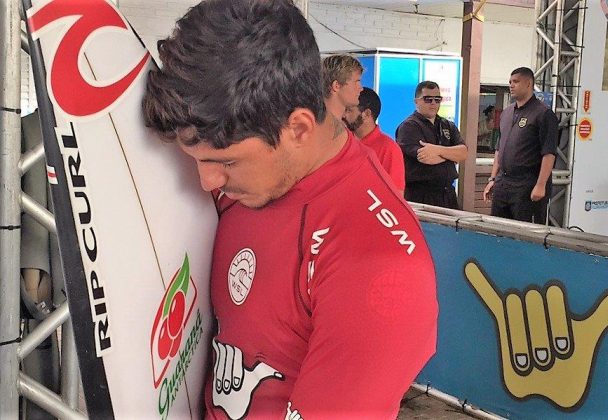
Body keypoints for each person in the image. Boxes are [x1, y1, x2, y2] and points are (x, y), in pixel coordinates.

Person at [142, 1, 438, 419]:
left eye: (225, 162)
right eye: (197, 159)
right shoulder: (255, 170)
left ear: (298, 128)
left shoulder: (379, 271)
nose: (207, 182)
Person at [483, 67, 558, 224]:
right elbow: (499, 148)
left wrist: (540, 184)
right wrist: (492, 178)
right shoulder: (507, 112)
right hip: (503, 182)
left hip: (527, 184)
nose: (511, 85)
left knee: (524, 234)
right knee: (498, 230)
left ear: (528, 83)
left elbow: (549, 153)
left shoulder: (543, 114)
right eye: (510, 82)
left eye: (516, 81)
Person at [395, 81, 467, 209]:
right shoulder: (409, 126)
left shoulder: (447, 125)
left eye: (437, 99)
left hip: (447, 195)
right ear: (416, 101)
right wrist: (450, 156)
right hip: (420, 195)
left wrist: (437, 150)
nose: (433, 103)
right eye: (428, 99)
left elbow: (463, 153)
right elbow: (425, 157)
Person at [343, 87, 405, 194]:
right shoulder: (341, 142)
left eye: (349, 110)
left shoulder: (389, 149)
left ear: (367, 114)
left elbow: (396, 196)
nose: (343, 115)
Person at [322, 54, 363, 120]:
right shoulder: (313, 127)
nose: (361, 88)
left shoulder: (343, 128)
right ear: (336, 86)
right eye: (356, 82)